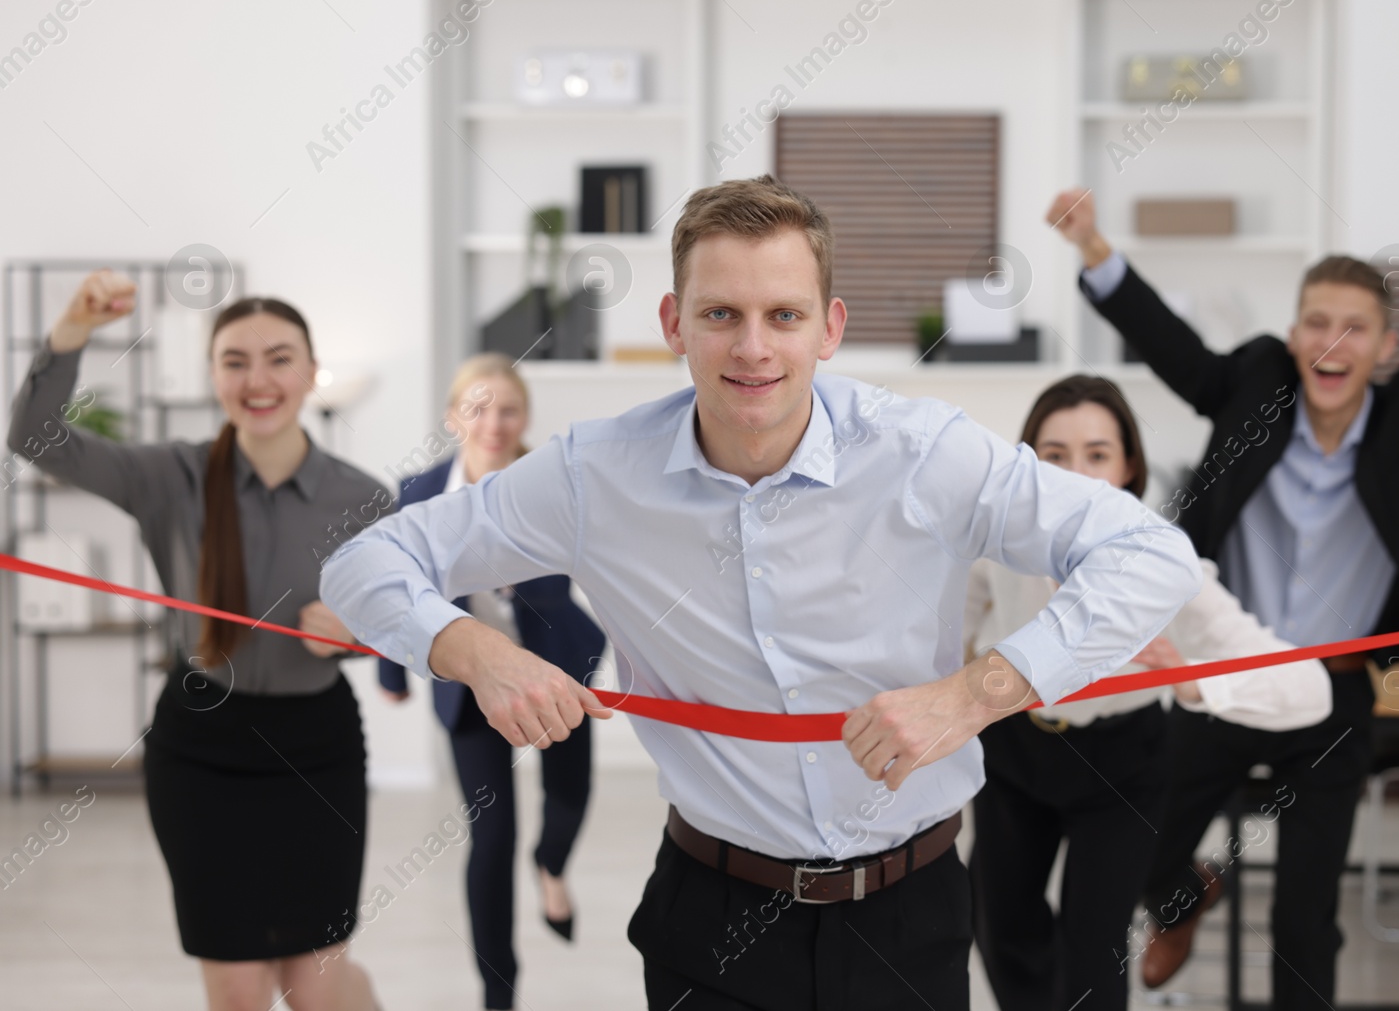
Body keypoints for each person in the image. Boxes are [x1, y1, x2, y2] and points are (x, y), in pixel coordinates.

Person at [321, 174, 1204, 1011]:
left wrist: (978, 692)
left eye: (783, 314)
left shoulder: (926, 452)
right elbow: (361, 564)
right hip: (711, 920)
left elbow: (1151, 552)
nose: (752, 347)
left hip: (913, 915)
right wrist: (471, 650)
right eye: (720, 314)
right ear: (674, 321)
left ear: (830, 326)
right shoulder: (594, 474)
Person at [1045, 187, 1399, 1010]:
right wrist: (1093, 246)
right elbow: (1172, 347)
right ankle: (1187, 896)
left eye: (1354, 328)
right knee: (1147, 851)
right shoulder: (1255, 387)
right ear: (1295, 332)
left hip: (1333, 694)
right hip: (1225, 674)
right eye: (1315, 322)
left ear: (1383, 346)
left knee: (1306, 915)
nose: (1330, 343)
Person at [6, 271, 386, 1011]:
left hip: (318, 751)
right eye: (235, 361)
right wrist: (74, 328)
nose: (258, 379)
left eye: (279, 358)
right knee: (239, 986)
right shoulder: (166, 475)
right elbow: (34, 436)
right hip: (201, 749)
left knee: (314, 982)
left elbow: (408, 627)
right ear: (213, 376)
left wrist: (358, 632)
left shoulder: (366, 498)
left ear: (311, 373)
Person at [965, 374, 1331, 1011]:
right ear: (1027, 463)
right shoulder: (995, 550)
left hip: (1123, 765)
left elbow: (1310, 688)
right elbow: (945, 636)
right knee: (1002, 929)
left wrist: (1194, 680)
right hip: (1016, 752)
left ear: (1129, 466)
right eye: (1054, 455)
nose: (1076, 475)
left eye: (1097, 454)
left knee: (1092, 947)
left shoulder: (1163, 566)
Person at [376, 353, 607, 1009]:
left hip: (553, 661)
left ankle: (553, 865)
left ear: (524, 415)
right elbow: (398, 586)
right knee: (490, 835)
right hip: (472, 683)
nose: (494, 422)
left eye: (507, 408)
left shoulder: (553, 483)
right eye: (477, 407)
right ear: (454, 417)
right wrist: (391, 668)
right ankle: (497, 994)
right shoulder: (419, 492)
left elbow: (589, 571)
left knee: (568, 798)